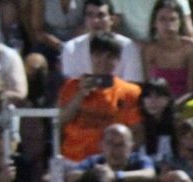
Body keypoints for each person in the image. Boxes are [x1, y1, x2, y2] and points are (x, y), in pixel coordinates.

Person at [58, 31, 143, 161]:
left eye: (110, 56)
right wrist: (80, 95)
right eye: (98, 55)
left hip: (109, 161)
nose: (103, 61)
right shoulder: (72, 86)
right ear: (90, 56)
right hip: (73, 158)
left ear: (118, 60)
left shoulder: (130, 92)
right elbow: (60, 121)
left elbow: (136, 132)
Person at [60, 0, 145, 82]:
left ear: (112, 20)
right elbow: (71, 88)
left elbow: (133, 87)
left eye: (101, 15)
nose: (95, 21)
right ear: (84, 20)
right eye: (90, 15)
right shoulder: (71, 48)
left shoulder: (128, 47)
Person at [142, 0, 193, 97]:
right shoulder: (149, 50)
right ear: (154, 23)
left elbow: (192, 89)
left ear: (180, 22)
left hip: (186, 103)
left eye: (173, 19)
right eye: (162, 19)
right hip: (159, 104)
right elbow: (149, 86)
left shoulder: (192, 47)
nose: (168, 25)